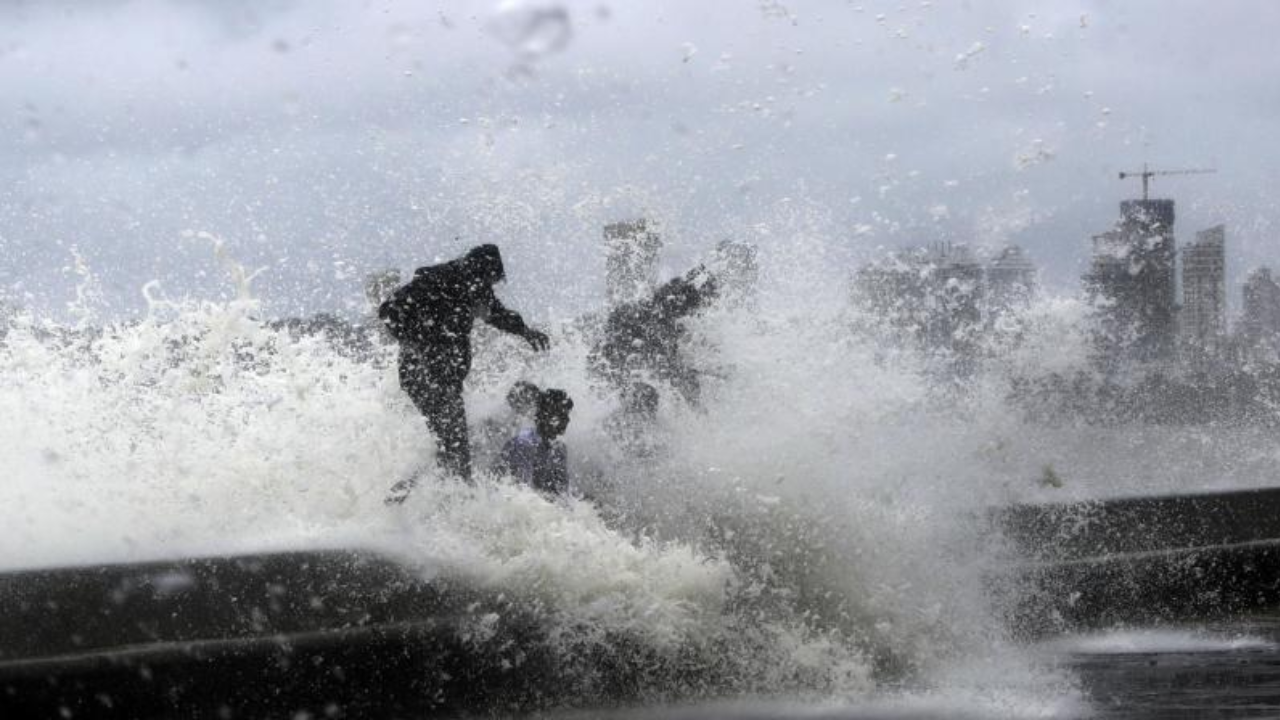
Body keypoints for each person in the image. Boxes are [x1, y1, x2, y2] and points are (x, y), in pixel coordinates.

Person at [380, 244, 549, 493]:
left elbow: (497, 314)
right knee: (455, 447)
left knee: (452, 446)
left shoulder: (473, 286)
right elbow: (388, 310)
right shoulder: (439, 280)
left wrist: (525, 331)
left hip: (444, 380)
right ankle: (442, 502)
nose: (490, 287)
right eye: (490, 279)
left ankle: (411, 491)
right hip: (424, 376)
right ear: (480, 269)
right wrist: (420, 341)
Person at [591, 265, 717, 405]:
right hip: (613, 381)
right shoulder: (651, 321)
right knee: (647, 395)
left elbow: (667, 362)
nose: (688, 316)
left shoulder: (653, 313)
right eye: (687, 312)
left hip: (610, 374)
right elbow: (664, 364)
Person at [495, 388, 574, 496]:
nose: (567, 420)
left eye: (567, 415)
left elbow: (563, 492)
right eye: (562, 414)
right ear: (547, 415)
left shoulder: (559, 449)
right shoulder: (524, 443)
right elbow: (520, 493)